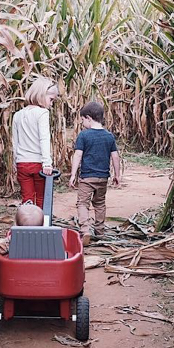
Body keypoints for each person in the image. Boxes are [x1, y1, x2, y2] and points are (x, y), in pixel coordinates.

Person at [68, 102, 121, 246]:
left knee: (82, 203)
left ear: (89, 118)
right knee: (100, 203)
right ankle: (100, 230)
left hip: (87, 178)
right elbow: (115, 156)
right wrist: (117, 174)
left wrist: (73, 174)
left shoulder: (84, 135)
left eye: (83, 120)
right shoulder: (109, 136)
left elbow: (78, 155)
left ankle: (85, 230)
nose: (82, 123)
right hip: (103, 177)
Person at [12, 77, 58, 208]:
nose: (51, 104)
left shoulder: (18, 115)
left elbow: (15, 141)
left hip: (22, 163)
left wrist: (16, 161)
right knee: (42, 198)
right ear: (41, 95)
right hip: (38, 164)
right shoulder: (42, 113)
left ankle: (27, 225)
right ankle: (41, 225)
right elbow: (44, 138)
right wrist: (47, 163)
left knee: (27, 198)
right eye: (51, 100)